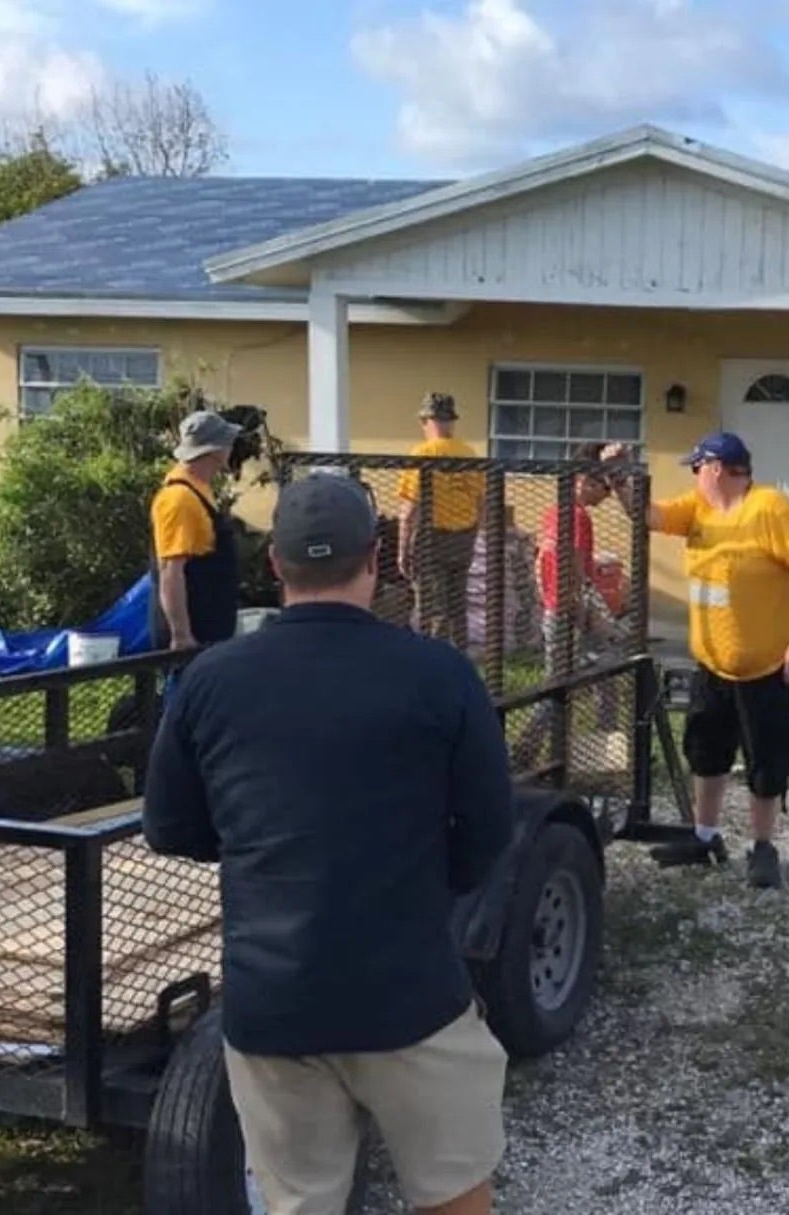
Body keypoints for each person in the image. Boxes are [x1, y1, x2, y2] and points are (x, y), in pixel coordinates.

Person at [142, 471, 515, 1215]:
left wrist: (264, 844)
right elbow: (489, 831)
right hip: (413, 998)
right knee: (453, 1199)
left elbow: (168, 826)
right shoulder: (440, 674)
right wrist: (429, 882)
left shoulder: (210, 680)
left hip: (274, 1007)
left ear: (275, 566)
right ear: (376, 557)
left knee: (299, 1204)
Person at [603, 431, 789, 889]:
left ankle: (763, 846)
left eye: (696, 468)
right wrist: (618, 477)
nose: (692, 476)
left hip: (769, 666)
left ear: (716, 469)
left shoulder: (769, 508)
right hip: (713, 664)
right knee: (706, 752)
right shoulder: (698, 508)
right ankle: (706, 838)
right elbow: (646, 516)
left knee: (766, 758)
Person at [514, 442, 629, 770]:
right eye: (603, 488)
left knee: (584, 684)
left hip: (556, 608)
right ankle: (533, 754)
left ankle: (586, 754)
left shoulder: (554, 513)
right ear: (584, 480)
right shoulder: (578, 518)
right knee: (572, 686)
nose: (605, 497)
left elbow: (543, 563)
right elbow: (575, 568)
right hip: (570, 613)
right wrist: (586, 615)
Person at [396, 392, 487, 646]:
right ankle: (460, 655)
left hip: (431, 538)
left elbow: (409, 510)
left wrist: (403, 549)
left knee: (431, 606)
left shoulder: (421, 454)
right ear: (451, 422)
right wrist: (473, 533)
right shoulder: (469, 454)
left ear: (426, 421)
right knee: (457, 605)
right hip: (464, 536)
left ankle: (431, 660)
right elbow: (482, 503)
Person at [150, 409, 243, 654]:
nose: (232, 447)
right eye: (227, 442)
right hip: (194, 636)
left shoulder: (199, 489)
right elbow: (171, 571)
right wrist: (181, 636)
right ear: (214, 450)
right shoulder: (179, 498)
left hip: (211, 630)